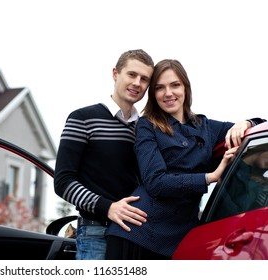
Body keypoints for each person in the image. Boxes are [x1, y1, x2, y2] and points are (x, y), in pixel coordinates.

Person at [105, 59, 266, 259]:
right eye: (160, 88)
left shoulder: (206, 126)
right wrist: (210, 177)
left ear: (186, 88)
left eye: (175, 85)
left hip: (179, 240)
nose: (168, 93)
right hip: (137, 233)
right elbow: (155, 182)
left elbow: (261, 127)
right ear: (154, 95)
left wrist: (246, 122)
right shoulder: (147, 125)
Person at [54, 49, 154, 260]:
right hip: (95, 233)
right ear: (115, 73)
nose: (137, 83)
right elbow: (63, 182)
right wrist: (108, 207)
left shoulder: (144, 128)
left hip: (136, 235)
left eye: (144, 79)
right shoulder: (82, 118)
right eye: (131, 74)